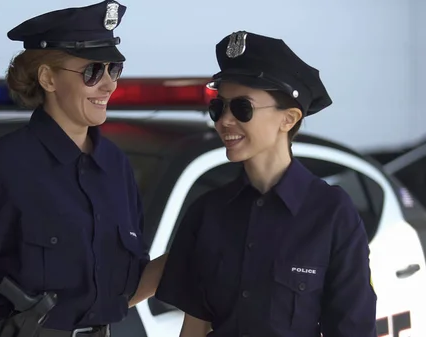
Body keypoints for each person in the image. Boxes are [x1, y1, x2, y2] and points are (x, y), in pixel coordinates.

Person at [0, 1, 151, 337]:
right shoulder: (2, 167)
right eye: (92, 72)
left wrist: (195, 246)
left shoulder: (116, 166)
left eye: (113, 69)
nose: (108, 85)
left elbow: (125, 289)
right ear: (48, 78)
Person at [154, 31, 378, 337]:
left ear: (288, 119)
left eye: (242, 108)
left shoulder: (331, 213)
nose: (224, 121)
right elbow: (193, 325)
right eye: (219, 108)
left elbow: (352, 330)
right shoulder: (208, 212)